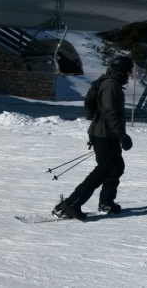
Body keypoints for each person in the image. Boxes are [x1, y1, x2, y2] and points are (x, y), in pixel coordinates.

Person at [52, 56, 134, 221]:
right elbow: (110, 112)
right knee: (103, 170)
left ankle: (106, 202)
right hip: (104, 134)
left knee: (116, 167)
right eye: (129, 71)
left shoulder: (112, 83)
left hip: (107, 133)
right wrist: (121, 134)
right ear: (122, 70)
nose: (130, 75)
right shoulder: (111, 85)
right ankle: (72, 203)